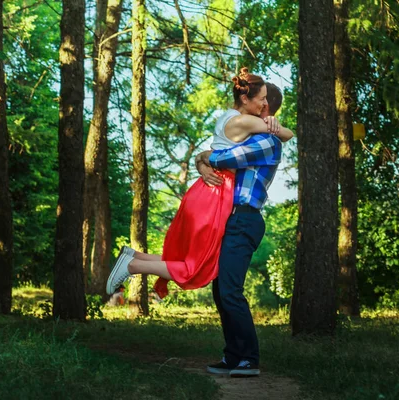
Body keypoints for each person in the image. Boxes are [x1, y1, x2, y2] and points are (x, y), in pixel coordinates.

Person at [106, 69, 292, 302]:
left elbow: (213, 154)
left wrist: (202, 161)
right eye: (261, 98)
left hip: (207, 190)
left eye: (266, 99)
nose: (263, 103)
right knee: (195, 267)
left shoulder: (234, 120)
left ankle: (135, 258)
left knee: (189, 257)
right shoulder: (250, 125)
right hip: (215, 194)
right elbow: (284, 135)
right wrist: (273, 125)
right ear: (250, 101)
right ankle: (133, 266)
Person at [194, 84, 288, 379]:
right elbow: (218, 153)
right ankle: (232, 355)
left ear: (265, 108)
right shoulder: (255, 135)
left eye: (261, 103)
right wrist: (201, 159)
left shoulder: (268, 142)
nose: (254, 107)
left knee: (231, 290)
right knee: (221, 291)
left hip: (244, 220)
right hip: (230, 220)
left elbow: (225, 158)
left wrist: (204, 156)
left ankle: (249, 358)